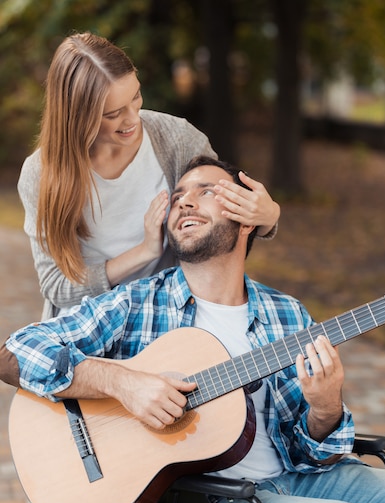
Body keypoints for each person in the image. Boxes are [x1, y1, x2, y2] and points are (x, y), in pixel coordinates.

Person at [3, 156, 385, 503]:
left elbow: (308, 450)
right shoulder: (139, 302)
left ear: (245, 217)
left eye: (205, 191)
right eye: (178, 196)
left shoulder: (287, 315)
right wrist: (122, 382)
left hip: (297, 481)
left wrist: (325, 408)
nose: (184, 202)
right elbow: (17, 352)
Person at [18, 31, 279, 320]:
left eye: (136, 96)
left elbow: (222, 231)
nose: (132, 118)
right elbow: (57, 286)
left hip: (165, 321)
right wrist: (143, 253)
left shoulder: (178, 141)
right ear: (77, 116)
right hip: (84, 327)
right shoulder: (41, 174)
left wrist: (267, 219)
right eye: (113, 113)